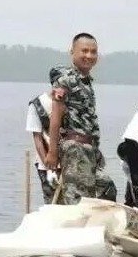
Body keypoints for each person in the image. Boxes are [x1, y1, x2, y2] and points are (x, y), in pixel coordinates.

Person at [45, 33, 117, 204]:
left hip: (89, 150)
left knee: (105, 188)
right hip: (75, 149)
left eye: (93, 52)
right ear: (72, 51)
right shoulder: (65, 81)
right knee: (78, 203)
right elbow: (55, 118)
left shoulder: (86, 81)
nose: (89, 56)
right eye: (84, 51)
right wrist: (52, 152)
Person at [25, 82, 58, 202]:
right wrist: (49, 168)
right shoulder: (37, 105)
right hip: (46, 162)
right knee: (52, 202)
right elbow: (37, 138)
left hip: (69, 163)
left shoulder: (70, 102)